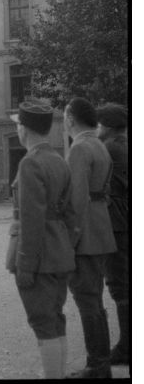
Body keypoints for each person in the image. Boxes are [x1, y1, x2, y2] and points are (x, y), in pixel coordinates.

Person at [7, 101, 78, 378]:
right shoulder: (60, 159)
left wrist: (25, 264)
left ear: (23, 129)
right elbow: (72, 214)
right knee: (55, 319)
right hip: (60, 254)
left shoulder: (30, 163)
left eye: (18, 125)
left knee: (42, 322)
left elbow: (31, 219)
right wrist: (67, 248)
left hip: (38, 259)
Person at [63, 97, 117, 379]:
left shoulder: (80, 148)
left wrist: (69, 237)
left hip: (84, 233)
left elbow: (77, 198)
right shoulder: (98, 145)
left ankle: (98, 365)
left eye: (64, 115)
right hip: (101, 228)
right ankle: (101, 362)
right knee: (94, 300)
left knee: (87, 301)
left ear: (70, 118)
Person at [97, 103, 129, 365]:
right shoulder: (126, 144)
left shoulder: (110, 148)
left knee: (119, 286)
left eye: (98, 123)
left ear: (106, 125)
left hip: (117, 222)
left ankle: (127, 348)